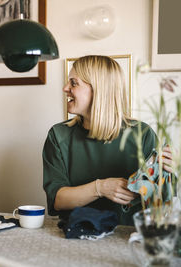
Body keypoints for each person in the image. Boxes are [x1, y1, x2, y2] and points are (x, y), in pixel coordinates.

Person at [42, 55, 173, 225]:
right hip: (75, 235)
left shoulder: (143, 134)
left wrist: (171, 169)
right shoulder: (58, 136)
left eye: (73, 83)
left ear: (99, 90)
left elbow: (161, 197)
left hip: (129, 238)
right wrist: (100, 188)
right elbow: (57, 200)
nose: (65, 88)